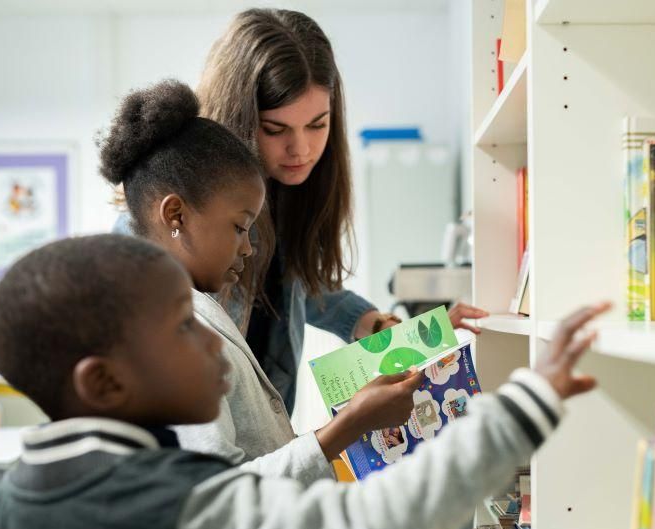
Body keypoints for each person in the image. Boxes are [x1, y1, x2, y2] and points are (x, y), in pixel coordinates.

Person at [0, 233, 609, 529]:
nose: (218, 342)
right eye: (184, 326)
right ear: (104, 383)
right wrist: (522, 407)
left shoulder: (1, 511)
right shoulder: (175, 504)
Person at [98, 80, 419, 473]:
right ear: (176, 215)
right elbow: (220, 492)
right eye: (239, 228)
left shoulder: (192, 310)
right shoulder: (173, 334)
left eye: (317, 126)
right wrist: (348, 425)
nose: (249, 249)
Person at [198, 7, 489, 413]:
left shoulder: (288, 188)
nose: (301, 149)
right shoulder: (186, 208)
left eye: (318, 125)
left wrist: (397, 333)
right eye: (275, 130)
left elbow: (307, 286)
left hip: (265, 438)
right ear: (239, 121)